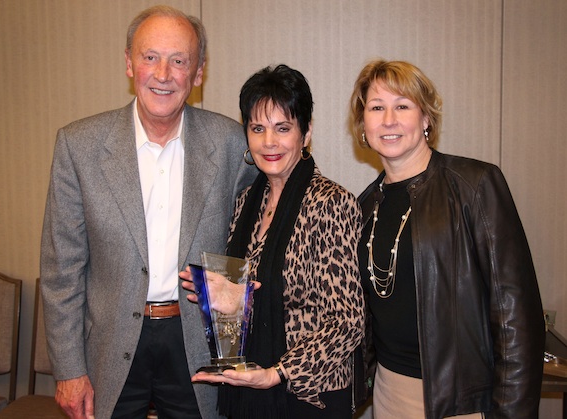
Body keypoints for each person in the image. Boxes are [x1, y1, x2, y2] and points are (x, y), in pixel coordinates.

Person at [39, 6, 256, 419]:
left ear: (198, 73)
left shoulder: (231, 142)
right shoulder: (78, 146)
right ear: (128, 62)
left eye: (179, 61)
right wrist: (68, 370)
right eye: (150, 57)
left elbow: (259, 230)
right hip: (110, 344)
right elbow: (61, 271)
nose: (162, 74)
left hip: (197, 343)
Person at [350, 59, 545, 418]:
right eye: (376, 107)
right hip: (388, 393)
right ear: (363, 124)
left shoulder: (474, 185)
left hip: (462, 400)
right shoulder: (363, 207)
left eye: (402, 106)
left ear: (426, 119)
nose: (388, 119)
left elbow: (516, 314)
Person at [180, 64, 365, 418]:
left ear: (306, 132)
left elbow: (347, 322)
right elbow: (256, 294)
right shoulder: (246, 202)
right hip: (249, 387)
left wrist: (277, 373)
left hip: (308, 394)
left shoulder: (331, 203)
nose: (269, 142)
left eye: (283, 128)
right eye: (257, 128)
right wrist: (231, 297)